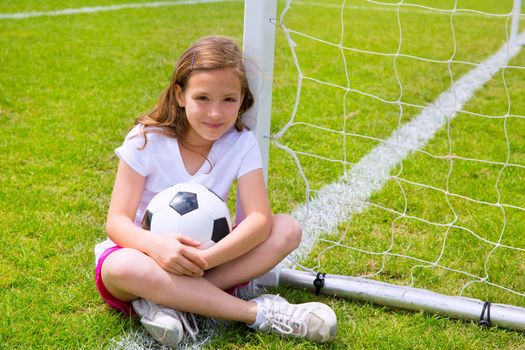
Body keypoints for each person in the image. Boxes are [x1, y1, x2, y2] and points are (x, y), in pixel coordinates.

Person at [94, 35, 337, 348]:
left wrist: (204, 260)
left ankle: (168, 301)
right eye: (203, 98)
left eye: (228, 100)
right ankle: (258, 313)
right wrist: (157, 248)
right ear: (180, 95)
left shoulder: (240, 143)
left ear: (242, 100)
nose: (215, 113)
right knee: (122, 266)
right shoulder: (146, 139)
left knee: (287, 229)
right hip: (142, 258)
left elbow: (259, 220)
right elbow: (117, 222)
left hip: (210, 260)